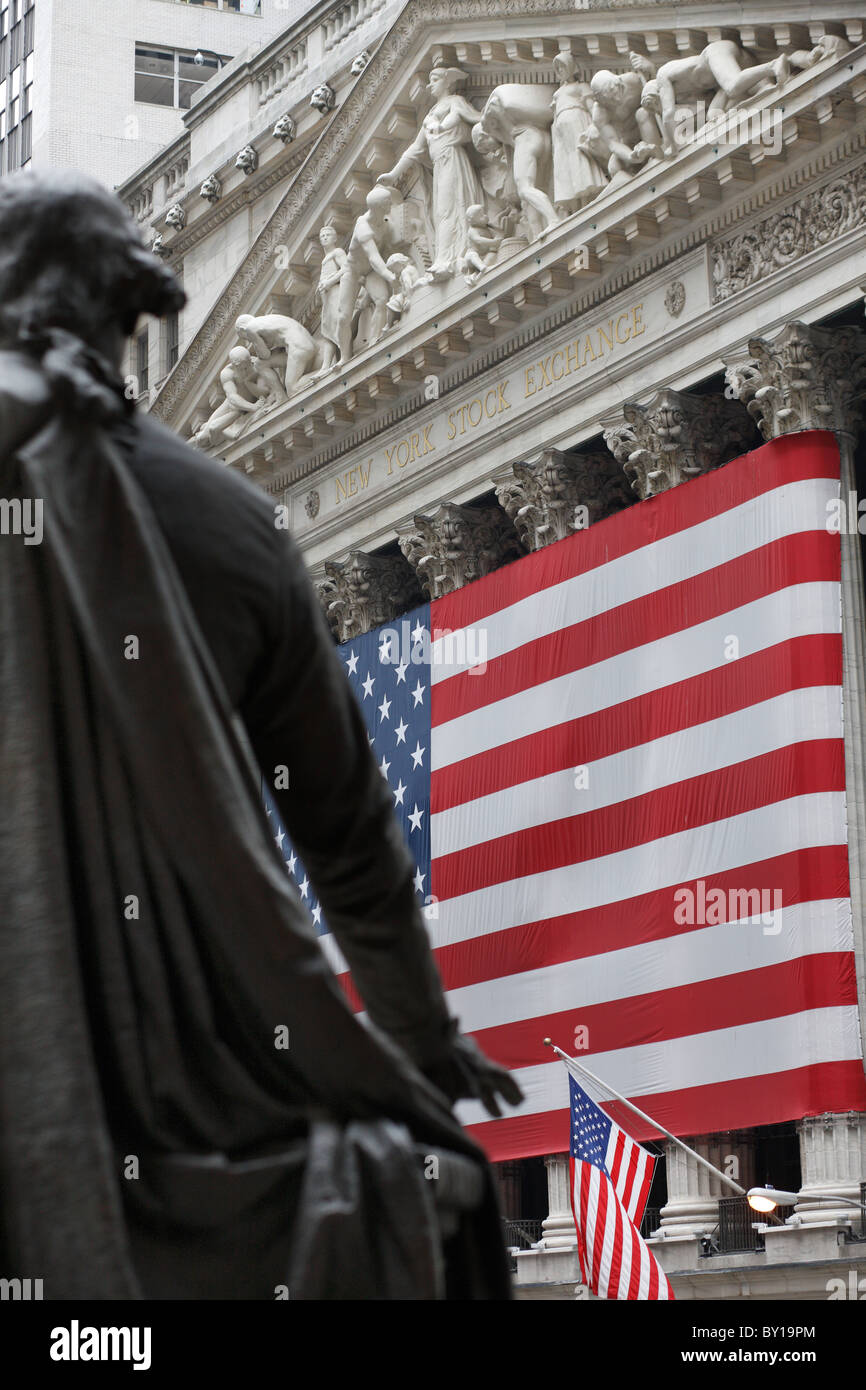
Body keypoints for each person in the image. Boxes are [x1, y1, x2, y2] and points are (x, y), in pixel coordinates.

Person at [0, 170, 521, 1301]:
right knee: (426, 1190)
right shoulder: (236, 522)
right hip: (197, 1088)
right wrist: (420, 1046)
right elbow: (348, 845)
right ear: (131, 314)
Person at [378, 61, 482, 281]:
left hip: (452, 159)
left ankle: (449, 259)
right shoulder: (429, 116)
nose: (430, 86)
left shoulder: (455, 102)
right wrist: (393, 174)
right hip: (440, 165)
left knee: (448, 208)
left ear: (446, 82)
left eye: (434, 80)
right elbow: (415, 149)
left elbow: (477, 118)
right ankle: (445, 257)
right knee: (441, 211)